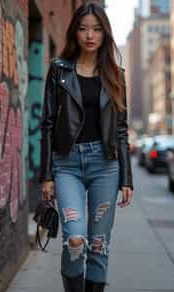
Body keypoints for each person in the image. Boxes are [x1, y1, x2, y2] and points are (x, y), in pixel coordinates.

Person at [38, 2, 134, 292]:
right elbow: (48, 123)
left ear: (105, 33)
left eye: (96, 29)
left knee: (98, 244)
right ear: (74, 32)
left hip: (105, 164)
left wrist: (126, 178)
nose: (89, 35)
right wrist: (47, 175)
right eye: (83, 29)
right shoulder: (59, 71)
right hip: (67, 164)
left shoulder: (116, 75)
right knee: (75, 237)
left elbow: (120, 129)